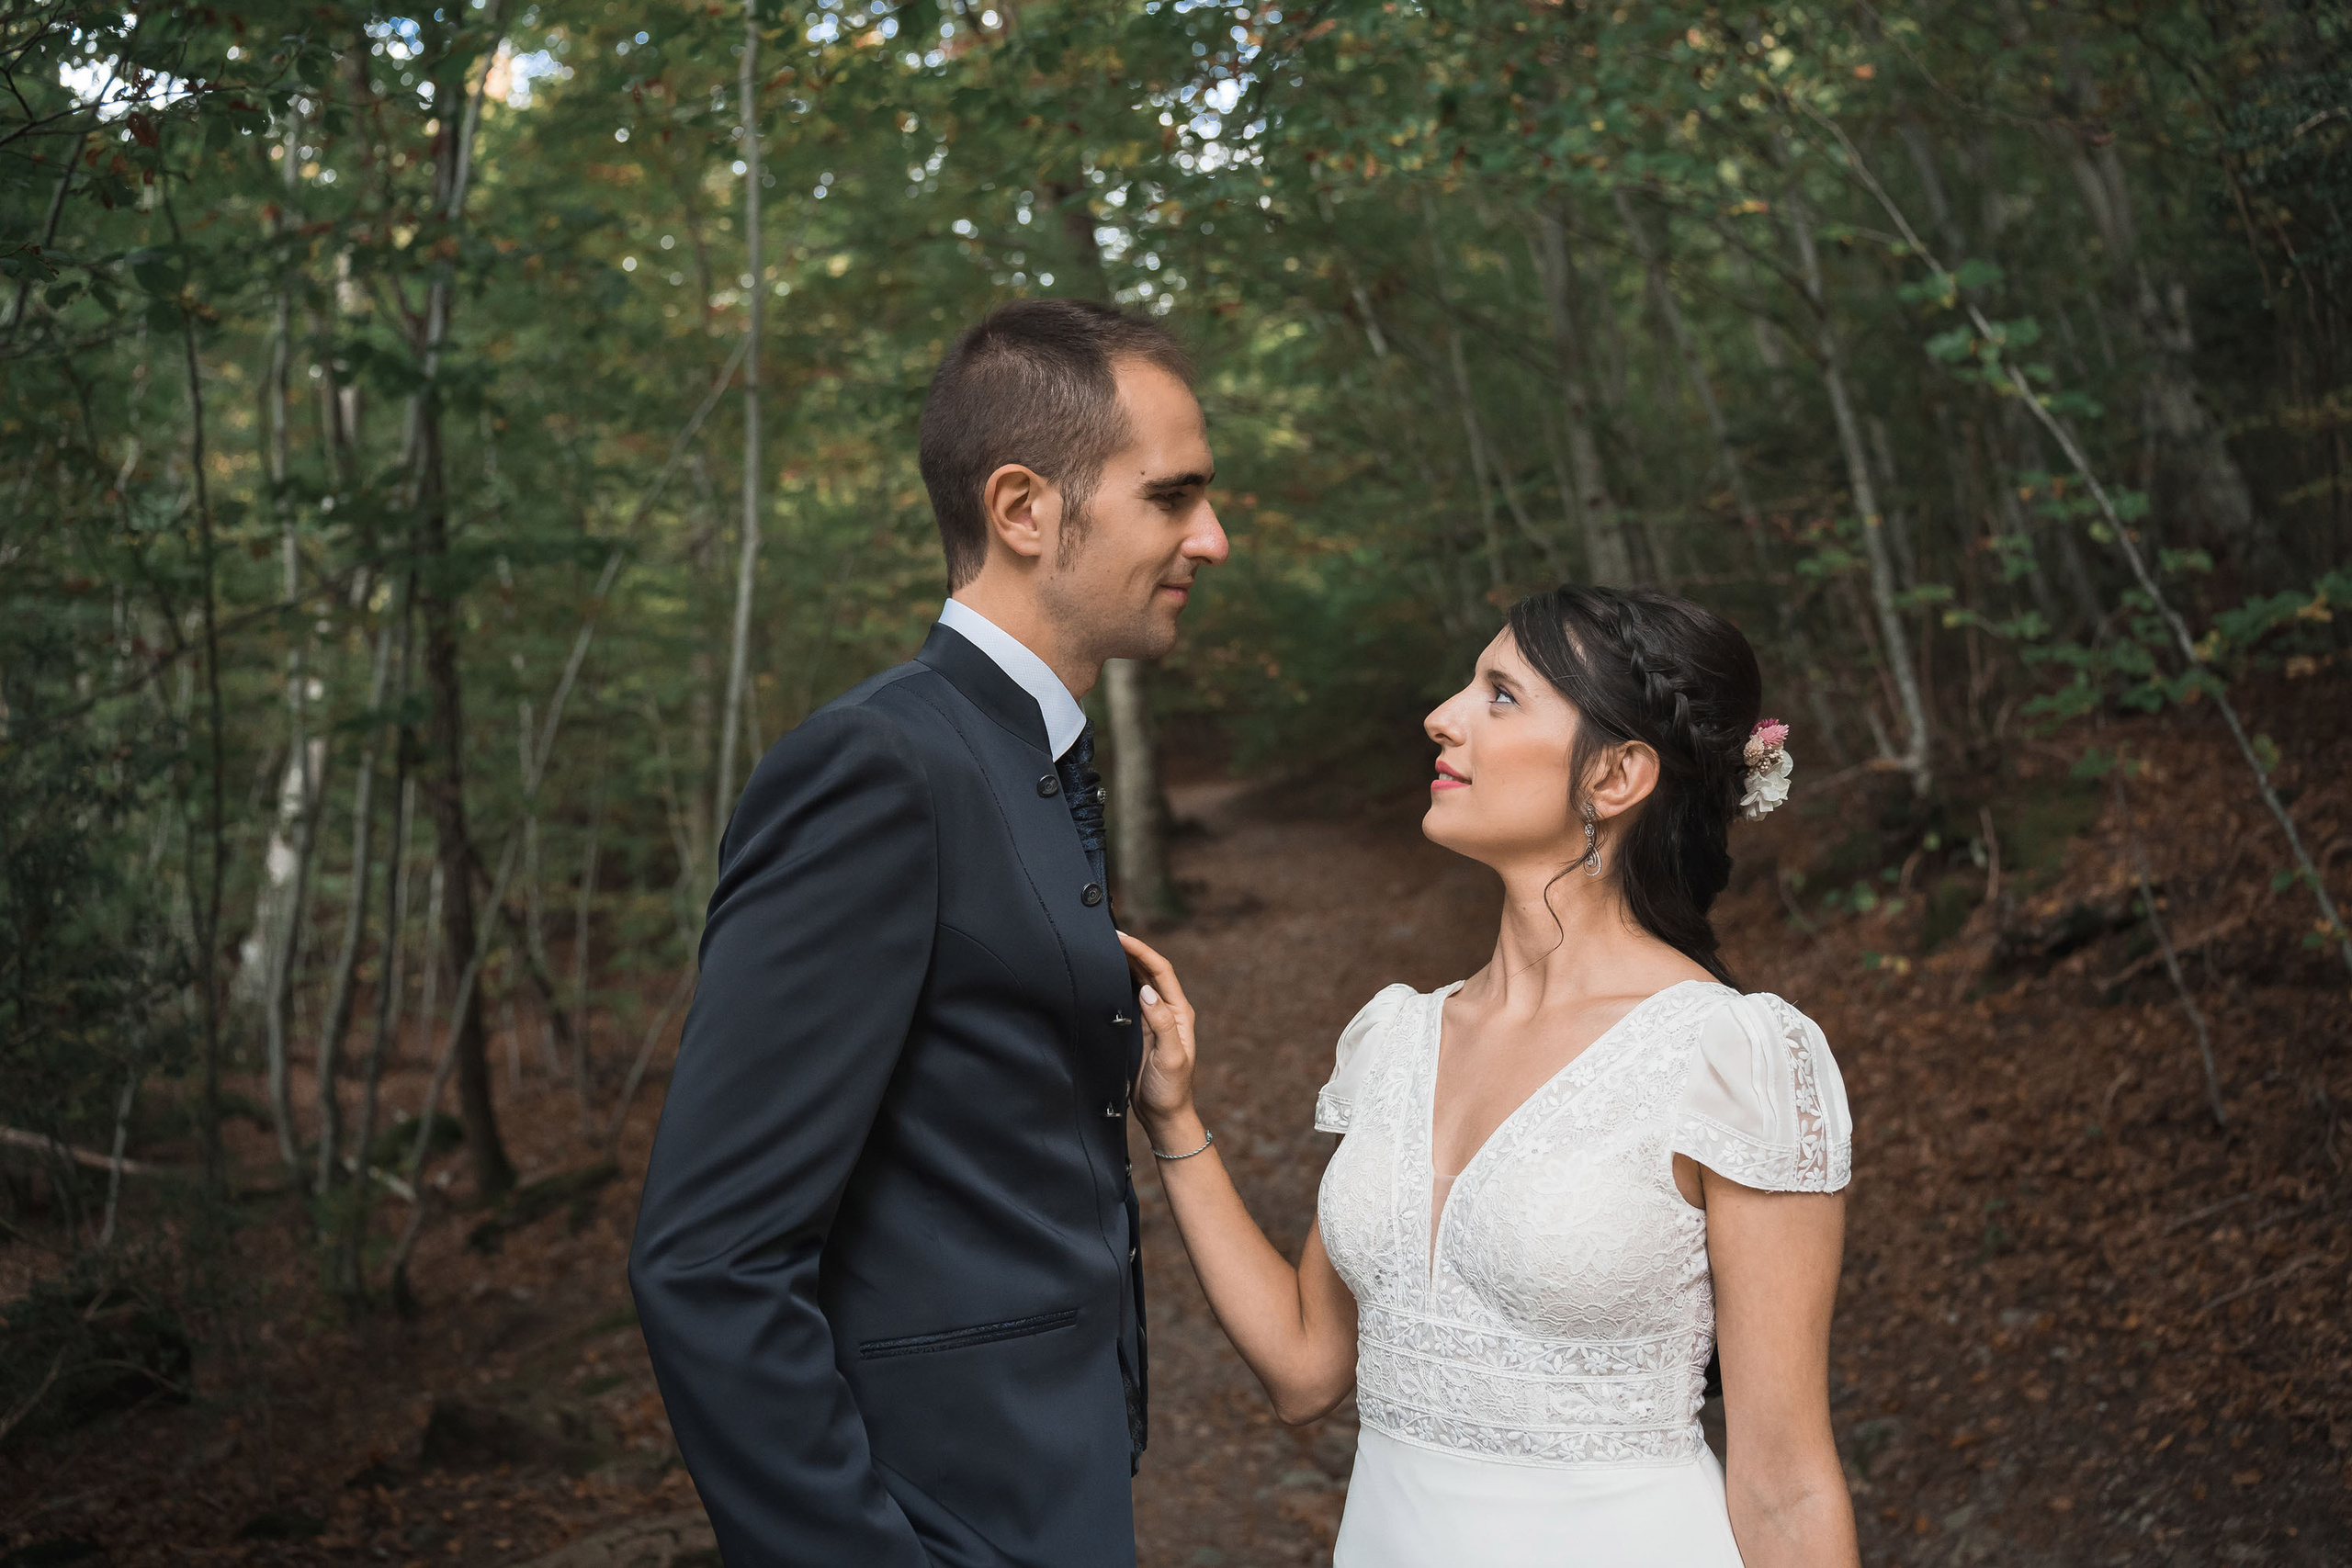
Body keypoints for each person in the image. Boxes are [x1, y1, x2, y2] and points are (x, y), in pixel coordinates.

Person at [628, 298, 1227, 1566]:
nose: (1211, 538)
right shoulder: (880, 766)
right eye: (1173, 496)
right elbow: (711, 1257)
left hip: (1051, 1491)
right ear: (1023, 509)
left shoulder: (1036, 757)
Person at [1119, 585, 1860, 1568]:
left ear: (1616, 777)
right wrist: (1172, 1119)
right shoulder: (1394, 1038)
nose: (1443, 715)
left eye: (1499, 695)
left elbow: (1785, 1484)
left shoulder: (1732, 1058)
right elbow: (1305, 1369)